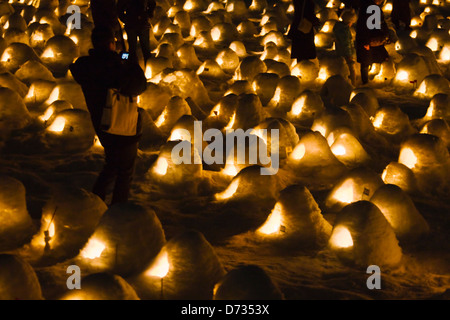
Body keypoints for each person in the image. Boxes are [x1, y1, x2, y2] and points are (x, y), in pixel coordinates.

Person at [69, 27, 147, 205]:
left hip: (102, 123)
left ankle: (95, 202)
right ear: (111, 44)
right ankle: (118, 210)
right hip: (121, 123)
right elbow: (138, 85)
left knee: (112, 164)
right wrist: (131, 63)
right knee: (125, 170)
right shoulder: (115, 67)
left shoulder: (85, 65)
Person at [355, 0, 390, 85]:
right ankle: (365, 82)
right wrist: (366, 41)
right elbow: (367, 26)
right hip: (370, 38)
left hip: (370, 38)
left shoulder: (367, 6)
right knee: (366, 60)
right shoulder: (372, 8)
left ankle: (367, 79)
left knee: (368, 59)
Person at [117, 0, 156, 65]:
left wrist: (148, 15)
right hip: (134, 24)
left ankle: (138, 68)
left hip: (139, 23)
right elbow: (119, 8)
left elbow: (119, 8)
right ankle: (135, 68)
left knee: (143, 49)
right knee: (134, 49)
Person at [333, 9, 357, 86]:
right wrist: (349, 55)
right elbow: (346, 43)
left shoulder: (338, 27)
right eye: (352, 22)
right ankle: (353, 84)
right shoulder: (344, 31)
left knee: (343, 68)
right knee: (351, 69)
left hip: (340, 51)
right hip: (346, 54)